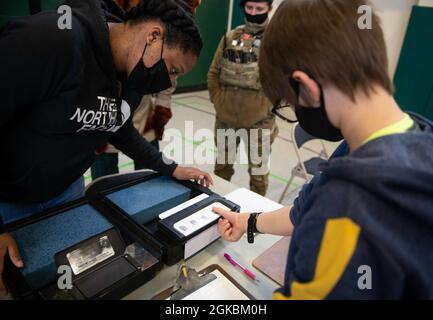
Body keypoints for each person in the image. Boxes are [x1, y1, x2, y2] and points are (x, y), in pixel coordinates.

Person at [213, 0, 433, 299]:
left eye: (290, 103)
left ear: (305, 87)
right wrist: (247, 221)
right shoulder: (409, 136)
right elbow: (303, 209)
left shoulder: (344, 207)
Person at [0, 0, 213, 293]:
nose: (169, 81)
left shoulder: (133, 76)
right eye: (173, 69)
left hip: (67, 192)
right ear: (153, 36)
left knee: (64, 286)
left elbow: (118, 129)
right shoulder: (53, 40)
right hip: (9, 202)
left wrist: (170, 167)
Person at [91, 0, 202, 180]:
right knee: (103, 171)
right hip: (39, 187)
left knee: (147, 174)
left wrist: (172, 168)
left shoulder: (137, 77)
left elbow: (121, 131)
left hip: (140, 103)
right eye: (173, 71)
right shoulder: (72, 46)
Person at [208, 0, 278, 196]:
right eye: (249, 8)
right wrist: (219, 102)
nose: (253, 13)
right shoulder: (231, 37)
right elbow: (213, 73)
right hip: (226, 118)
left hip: (259, 122)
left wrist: (266, 108)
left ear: (269, 9)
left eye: (259, 9)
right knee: (221, 168)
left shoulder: (276, 40)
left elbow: (284, 81)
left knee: (258, 174)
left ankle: (255, 216)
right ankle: (216, 204)